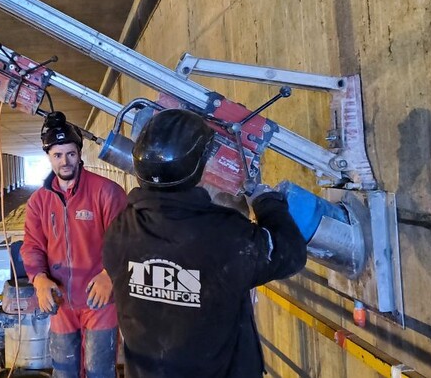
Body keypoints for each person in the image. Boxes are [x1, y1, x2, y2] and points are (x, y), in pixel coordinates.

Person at [102, 109, 307, 378]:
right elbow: (289, 253)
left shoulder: (119, 231)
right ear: (198, 167)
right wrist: (267, 202)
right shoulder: (225, 235)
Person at [21, 111, 128, 378]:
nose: (65, 161)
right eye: (57, 155)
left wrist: (110, 275)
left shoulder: (107, 192)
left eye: (70, 153)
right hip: (60, 300)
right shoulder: (38, 202)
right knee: (65, 370)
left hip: (100, 299)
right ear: (49, 157)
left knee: (99, 371)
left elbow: (126, 240)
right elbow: (33, 245)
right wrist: (39, 280)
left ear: (80, 154)